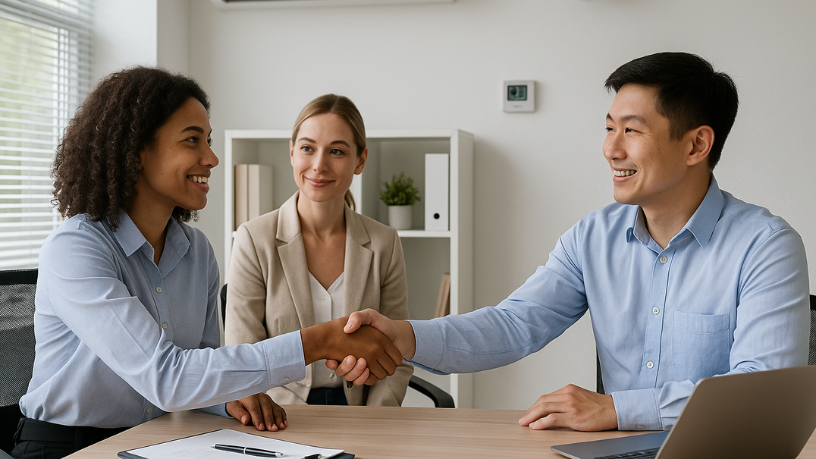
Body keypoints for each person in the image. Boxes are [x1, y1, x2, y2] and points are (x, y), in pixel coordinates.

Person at [334, 52, 810, 431]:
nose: (610, 148)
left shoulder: (766, 247)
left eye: (631, 130)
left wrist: (617, 409)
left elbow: (759, 393)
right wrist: (406, 335)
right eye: (608, 127)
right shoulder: (592, 237)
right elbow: (513, 325)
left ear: (695, 145)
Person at [13, 67, 401, 459]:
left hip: (154, 439)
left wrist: (225, 400)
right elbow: (166, 376)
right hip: (66, 446)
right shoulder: (75, 248)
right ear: (136, 152)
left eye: (209, 140)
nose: (212, 158)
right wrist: (318, 342)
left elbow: (202, 367)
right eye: (192, 140)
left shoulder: (196, 250)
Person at [225, 94, 413, 407]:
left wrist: (377, 422)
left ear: (360, 160)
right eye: (308, 148)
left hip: (361, 412)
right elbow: (243, 355)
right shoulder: (254, 240)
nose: (319, 165)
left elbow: (398, 351)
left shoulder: (384, 243)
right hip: (280, 413)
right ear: (292, 152)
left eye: (336, 151)